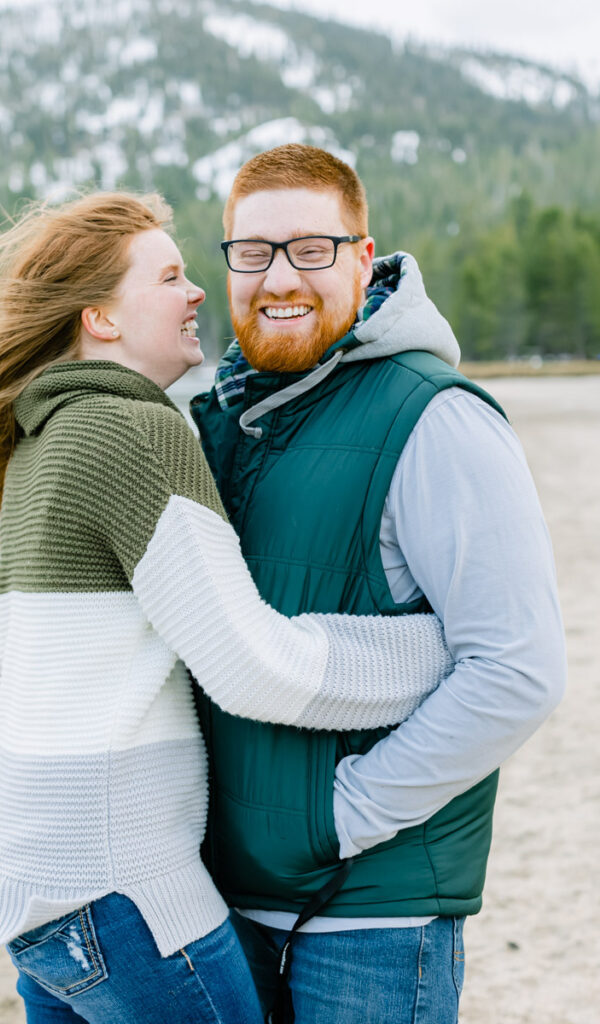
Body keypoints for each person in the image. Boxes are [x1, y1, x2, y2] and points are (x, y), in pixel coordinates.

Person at [0, 191, 456, 1024]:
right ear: (101, 318)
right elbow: (255, 669)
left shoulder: (42, 435)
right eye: (170, 275)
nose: (198, 290)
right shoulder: (133, 430)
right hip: (120, 882)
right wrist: (442, 650)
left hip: (30, 882)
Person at [190, 144, 566, 1024]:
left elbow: (517, 671)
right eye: (253, 252)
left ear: (366, 259)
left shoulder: (435, 418)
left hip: (372, 925)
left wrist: (340, 815)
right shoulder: (232, 420)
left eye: (310, 249)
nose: (280, 277)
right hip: (229, 910)